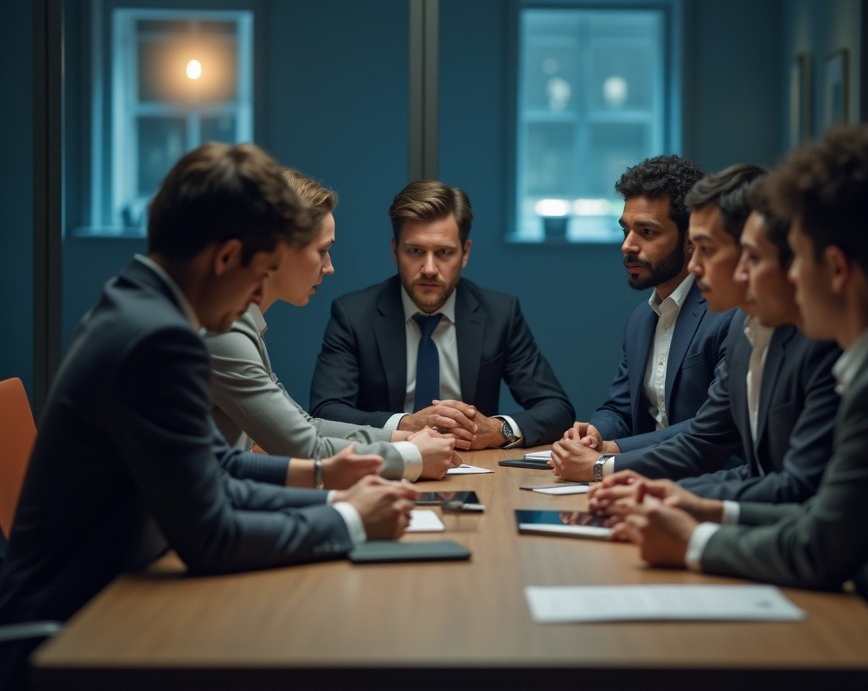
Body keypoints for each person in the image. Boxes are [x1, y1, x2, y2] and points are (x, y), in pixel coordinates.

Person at [613, 124, 868, 691]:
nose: (779, 275)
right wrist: (701, 511)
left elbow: (817, 545)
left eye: (792, 257)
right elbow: (822, 516)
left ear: (835, 270)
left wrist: (692, 540)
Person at [0, 143, 417, 690]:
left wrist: (331, 491)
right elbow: (211, 537)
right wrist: (351, 520)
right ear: (224, 259)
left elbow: (214, 465)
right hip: (76, 630)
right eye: (261, 271)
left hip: (117, 594)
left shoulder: (136, 303)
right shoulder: (158, 339)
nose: (254, 298)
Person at [574, 166, 839, 506]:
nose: (696, 266)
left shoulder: (815, 343)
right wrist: (652, 493)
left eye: (707, 249)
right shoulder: (746, 331)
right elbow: (717, 448)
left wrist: (609, 468)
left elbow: (798, 492)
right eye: (625, 230)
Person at [206, 169, 458, 480]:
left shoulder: (233, 319)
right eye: (322, 251)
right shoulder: (223, 328)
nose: (330, 267)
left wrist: (402, 438)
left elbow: (306, 425)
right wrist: (411, 457)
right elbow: (304, 446)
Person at [309, 180, 574, 449]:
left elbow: (556, 408)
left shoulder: (499, 313)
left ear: (465, 253)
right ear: (394, 251)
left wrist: (497, 429)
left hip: (474, 466)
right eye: (415, 251)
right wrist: (404, 425)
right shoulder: (355, 315)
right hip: (385, 466)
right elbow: (326, 411)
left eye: (444, 253)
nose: (429, 268)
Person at [549, 155, 732, 481]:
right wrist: (594, 433)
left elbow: (711, 427)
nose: (627, 246)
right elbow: (618, 409)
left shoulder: (725, 311)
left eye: (647, 232)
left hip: (706, 483)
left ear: (691, 240)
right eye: (625, 230)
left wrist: (610, 452)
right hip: (638, 483)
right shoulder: (641, 320)